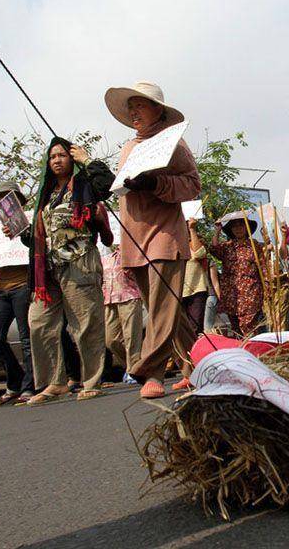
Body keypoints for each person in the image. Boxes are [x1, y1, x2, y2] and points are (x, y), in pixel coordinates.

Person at [104, 81, 201, 398]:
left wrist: (156, 182)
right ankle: (201, 365)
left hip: (164, 235)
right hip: (134, 239)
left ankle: (151, 372)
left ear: (159, 110)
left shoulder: (173, 142)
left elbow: (192, 185)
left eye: (141, 105)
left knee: (161, 309)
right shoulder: (128, 148)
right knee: (167, 311)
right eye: (131, 107)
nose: (134, 111)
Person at [21, 138, 113, 404]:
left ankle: (92, 380)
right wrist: (19, 232)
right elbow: (39, 237)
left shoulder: (83, 184)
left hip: (80, 261)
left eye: (62, 155)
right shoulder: (45, 194)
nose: (57, 160)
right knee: (38, 323)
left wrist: (88, 160)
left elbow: (107, 186)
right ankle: (55, 382)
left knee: (85, 323)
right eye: (52, 157)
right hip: (48, 269)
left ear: (72, 158)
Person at [0, 181, 35, 405]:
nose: (3, 203)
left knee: (27, 338)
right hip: (0, 291)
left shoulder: (30, 219)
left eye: (8, 197)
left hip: (23, 286)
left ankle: (28, 386)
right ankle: (15, 378)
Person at [211, 211, 266, 336]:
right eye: (234, 226)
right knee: (236, 330)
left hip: (251, 294)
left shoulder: (255, 246)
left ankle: (251, 351)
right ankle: (240, 352)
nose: (238, 229)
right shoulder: (227, 247)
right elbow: (214, 249)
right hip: (232, 296)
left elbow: (262, 268)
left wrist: (267, 288)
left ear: (246, 228)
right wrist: (217, 231)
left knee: (249, 328)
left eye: (241, 225)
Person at [101, 245, 143, 384]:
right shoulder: (103, 253)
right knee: (110, 339)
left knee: (131, 336)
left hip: (129, 295)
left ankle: (134, 370)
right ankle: (133, 366)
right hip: (108, 298)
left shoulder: (128, 248)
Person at [182, 218, 209, 337]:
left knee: (195, 326)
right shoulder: (173, 243)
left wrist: (192, 229)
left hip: (197, 290)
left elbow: (199, 254)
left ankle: (195, 354)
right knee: (181, 327)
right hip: (178, 292)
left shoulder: (196, 242)